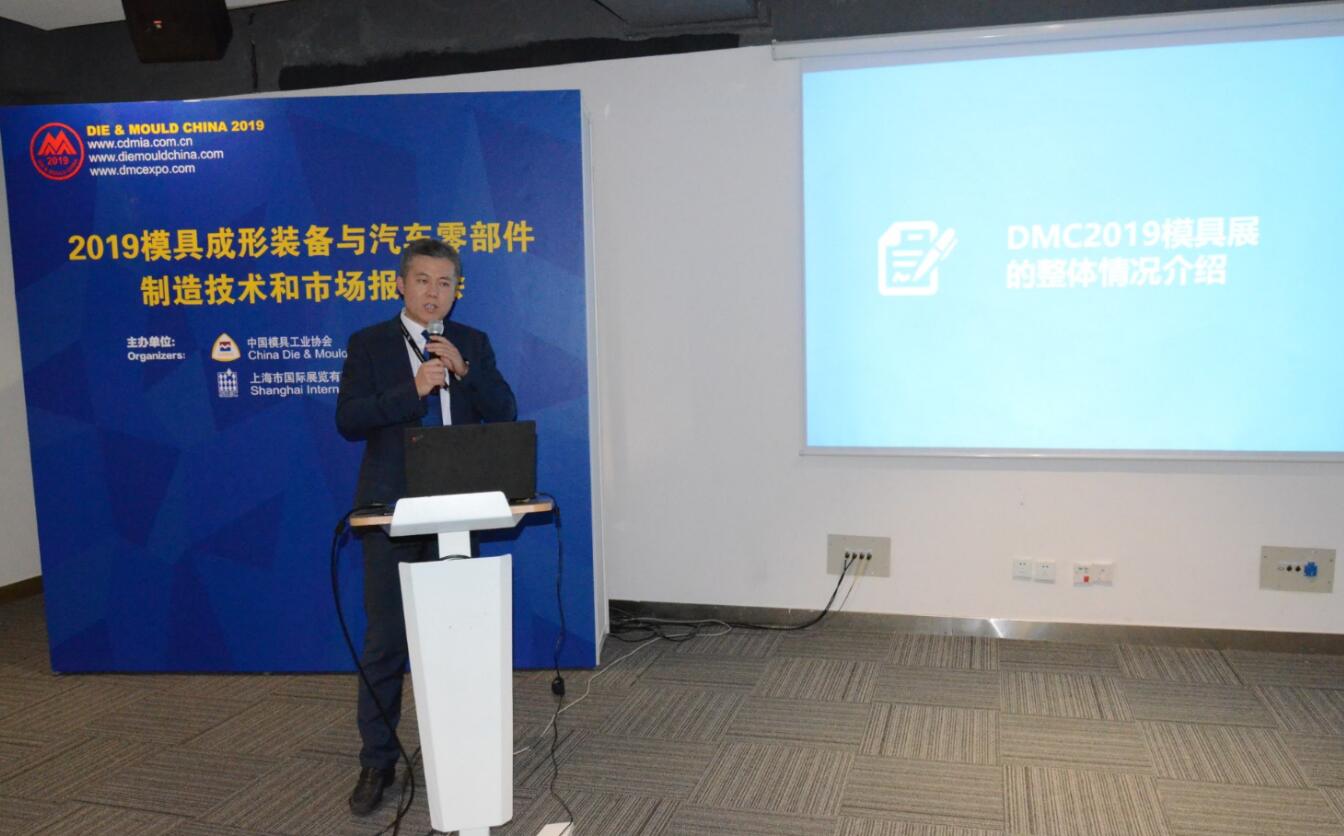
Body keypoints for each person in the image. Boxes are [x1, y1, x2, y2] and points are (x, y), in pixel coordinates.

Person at [335, 238, 516, 815]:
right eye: (422, 281)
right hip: (392, 513)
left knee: (461, 638)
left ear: (456, 290)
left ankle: (463, 750)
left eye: (445, 283)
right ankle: (377, 760)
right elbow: (349, 419)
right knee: (386, 642)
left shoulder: (473, 343)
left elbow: (505, 411)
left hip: (458, 513)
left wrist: (467, 373)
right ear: (400, 284)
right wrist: (410, 390)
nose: (433, 293)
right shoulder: (369, 343)